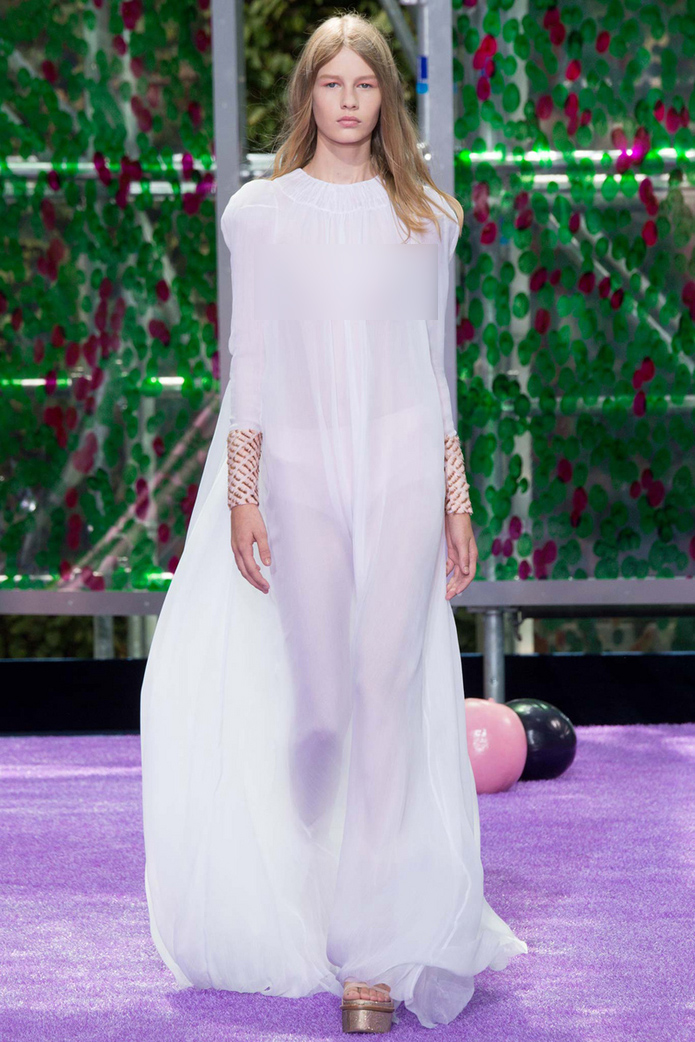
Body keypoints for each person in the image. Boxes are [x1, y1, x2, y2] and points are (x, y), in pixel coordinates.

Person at [140, 12, 528, 1035]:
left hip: (399, 467)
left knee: (384, 696)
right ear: (306, 95)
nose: (348, 101)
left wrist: (453, 498)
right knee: (318, 709)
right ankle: (304, 879)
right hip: (302, 472)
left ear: (385, 99)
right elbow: (253, 358)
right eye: (331, 83)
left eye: (365, 84)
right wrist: (242, 490)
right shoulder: (260, 215)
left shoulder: (427, 216)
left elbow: (430, 368)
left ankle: (372, 947)